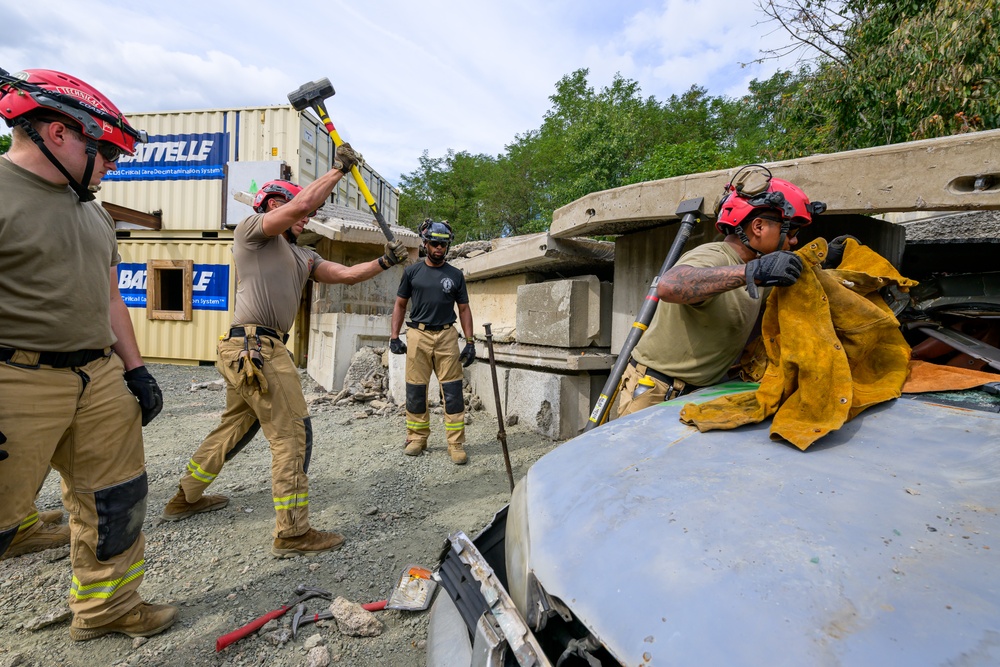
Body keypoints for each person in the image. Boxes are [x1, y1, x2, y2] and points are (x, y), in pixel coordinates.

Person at [161, 158, 409, 558]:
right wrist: (338, 172)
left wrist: (385, 261)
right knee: (293, 434)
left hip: (252, 348)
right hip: (257, 348)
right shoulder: (254, 233)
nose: (305, 220)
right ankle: (293, 533)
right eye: (299, 211)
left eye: (308, 216)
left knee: (234, 428)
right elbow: (297, 208)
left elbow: (346, 275)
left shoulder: (303, 258)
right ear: (271, 205)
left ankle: (184, 497)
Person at [0, 68, 171, 641]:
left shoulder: (92, 211)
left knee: (117, 501)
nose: (112, 165)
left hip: (98, 377)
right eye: (104, 151)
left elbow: (108, 293)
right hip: (15, 378)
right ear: (56, 135)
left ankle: (107, 610)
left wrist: (137, 369)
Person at [616, 166, 826, 418]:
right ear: (758, 227)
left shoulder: (760, 269)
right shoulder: (715, 256)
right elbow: (670, 285)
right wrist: (751, 273)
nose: (794, 241)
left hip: (701, 392)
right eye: (790, 232)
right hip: (657, 391)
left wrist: (819, 260)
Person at [389, 220, 476, 464]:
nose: (439, 248)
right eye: (435, 243)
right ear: (425, 244)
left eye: (443, 244)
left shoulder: (455, 275)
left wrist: (470, 342)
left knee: (452, 391)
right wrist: (394, 337)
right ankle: (417, 438)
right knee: (416, 389)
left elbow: (465, 309)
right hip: (418, 335)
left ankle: (455, 443)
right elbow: (400, 304)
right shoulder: (412, 273)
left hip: (447, 335)